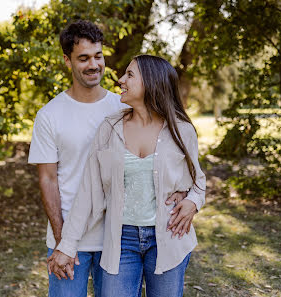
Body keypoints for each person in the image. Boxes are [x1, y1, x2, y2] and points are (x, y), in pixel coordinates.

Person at [29, 20, 189, 297]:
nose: (93, 64)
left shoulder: (124, 105)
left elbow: (168, 156)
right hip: (71, 235)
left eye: (98, 56)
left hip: (119, 236)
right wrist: (62, 239)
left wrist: (187, 196)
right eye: (83, 58)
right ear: (67, 61)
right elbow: (48, 178)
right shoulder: (49, 115)